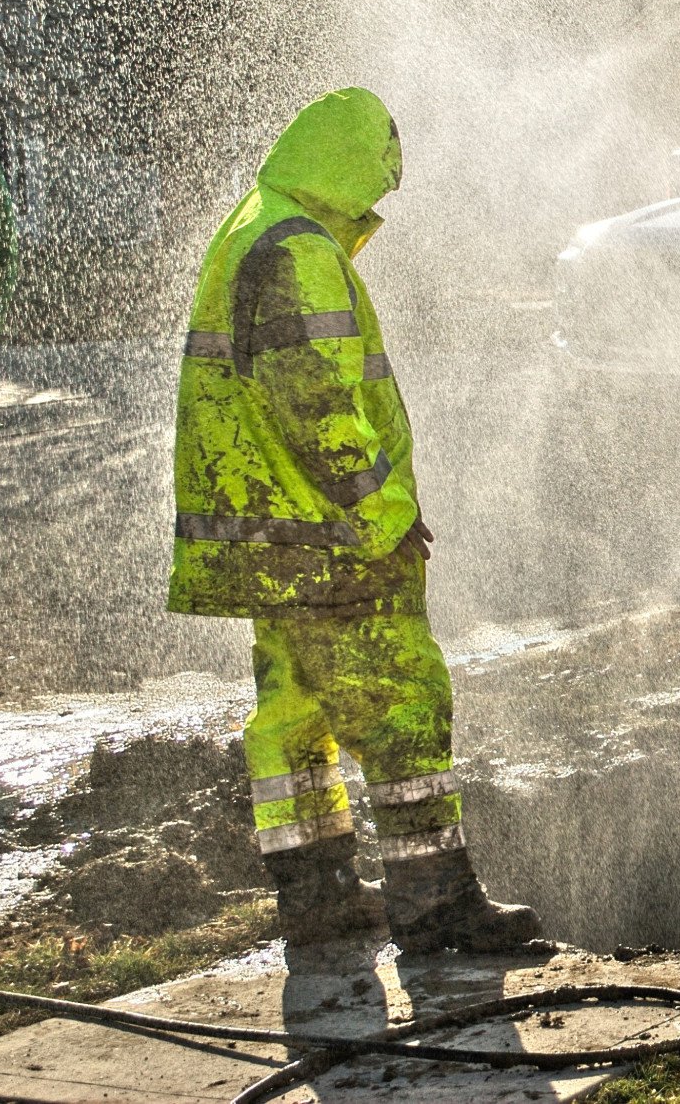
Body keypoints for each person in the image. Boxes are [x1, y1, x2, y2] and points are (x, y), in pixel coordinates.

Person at [168, 87, 541, 951]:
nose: (381, 200)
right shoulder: (297, 250)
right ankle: (437, 904)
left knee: (294, 713)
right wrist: (380, 516)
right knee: (402, 702)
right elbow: (316, 403)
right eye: (378, 174)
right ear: (346, 161)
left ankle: (319, 897)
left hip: (276, 538)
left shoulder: (251, 228)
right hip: (334, 538)